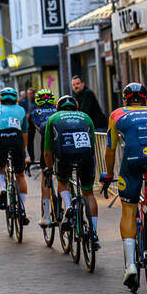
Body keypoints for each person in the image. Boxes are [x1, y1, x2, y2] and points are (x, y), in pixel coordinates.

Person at [100, 83, 147, 289]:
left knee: (129, 210)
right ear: (145, 98)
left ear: (126, 100)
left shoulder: (116, 114)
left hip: (133, 160)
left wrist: (109, 174)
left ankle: (130, 265)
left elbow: (110, 149)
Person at [43, 95, 101, 249]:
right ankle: (94, 233)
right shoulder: (86, 117)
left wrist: (49, 168)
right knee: (88, 193)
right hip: (86, 156)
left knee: (62, 181)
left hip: (64, 156)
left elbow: (48, 151)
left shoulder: (53, 118)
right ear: (76, 107)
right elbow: (92, 143)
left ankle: (68, 206)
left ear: (58, 108)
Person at [0, 87, 31, 225]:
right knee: (20, 175)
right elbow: (25, 134)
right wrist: (22, 151)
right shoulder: (21, 110)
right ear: (16, 99)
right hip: (17, 139)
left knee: (0, 168)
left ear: (1, 100)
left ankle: (3, 189)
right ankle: (22, 209)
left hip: (1, 139)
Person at [29, 89, 58, 226]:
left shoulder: (35, 112)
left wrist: (31, 156)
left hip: (46, 145)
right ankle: (68, 203)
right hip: (63, 143)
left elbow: (31, 134)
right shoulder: (58, 110)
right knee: (64, 176)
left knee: (45, 176)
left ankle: (46, 216)